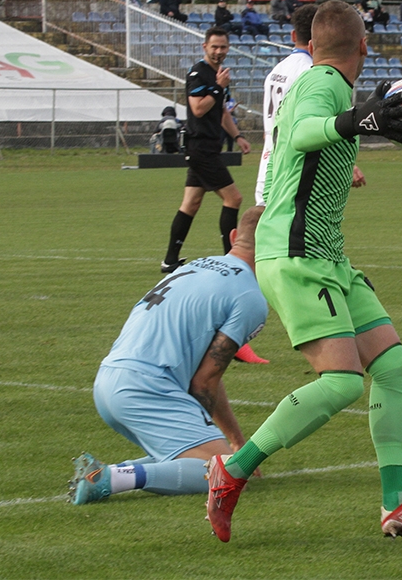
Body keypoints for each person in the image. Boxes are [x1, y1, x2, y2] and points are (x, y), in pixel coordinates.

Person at [204, 0, 402, 543]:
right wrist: (356, 121)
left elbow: (302, 155)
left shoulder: (326, 85)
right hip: (297, 254)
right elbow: (302, 134)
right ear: (364, 45)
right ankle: (232, 471)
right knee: (344, 381)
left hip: (325, 254)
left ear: (311, 42)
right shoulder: (320, 82)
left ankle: (398, 503)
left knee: (393, 365)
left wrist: (355, 131)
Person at [68, 207, 269, 505]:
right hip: (147, 387)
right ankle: (110, 477)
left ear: (234, 236)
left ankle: (103, 475)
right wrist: (230, 449)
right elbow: (203, 382)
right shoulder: (250, 296)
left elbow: (207, 372)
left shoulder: (196, 265)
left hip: (108, 380)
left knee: (204, 455)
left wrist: (232, 441)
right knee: (228, 471)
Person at [254, 5, 366, 208]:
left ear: (293, 34)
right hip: (293, 176)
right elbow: (306, 125)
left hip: (270, 167)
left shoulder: (276, 71)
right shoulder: (313, 74)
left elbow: (272, 128)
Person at [161, 28, 251, 277]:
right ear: (205, 47)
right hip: (200, 147)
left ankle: (170, 260)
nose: (219, 51)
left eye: (223, 47)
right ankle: (232, 258)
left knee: (191, 203)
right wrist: (217, 87)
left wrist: (238, 136)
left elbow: (222, 112)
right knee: (233, 198)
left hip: (209, 146)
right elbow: (198, 108)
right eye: (215, 47)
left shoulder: (219, 74)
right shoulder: (198, 73)